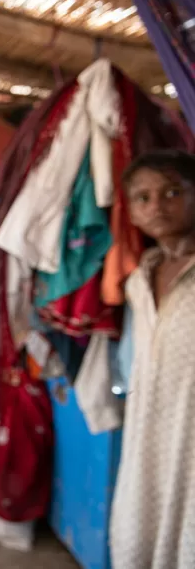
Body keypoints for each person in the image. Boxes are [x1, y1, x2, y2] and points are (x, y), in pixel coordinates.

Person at [110, 150, 195, 569]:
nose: (157, 205)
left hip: (191, 433)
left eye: (173, 192)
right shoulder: (141, 276)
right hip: (149, 430)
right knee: (141, 527)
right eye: (142, 198)